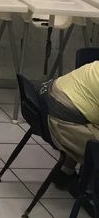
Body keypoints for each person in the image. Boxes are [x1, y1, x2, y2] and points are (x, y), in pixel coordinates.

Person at [41, 62, 99, 194]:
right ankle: (90, 192)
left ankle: (66, 173)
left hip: (49, 98)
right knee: (95, 145)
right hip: (60, 117)